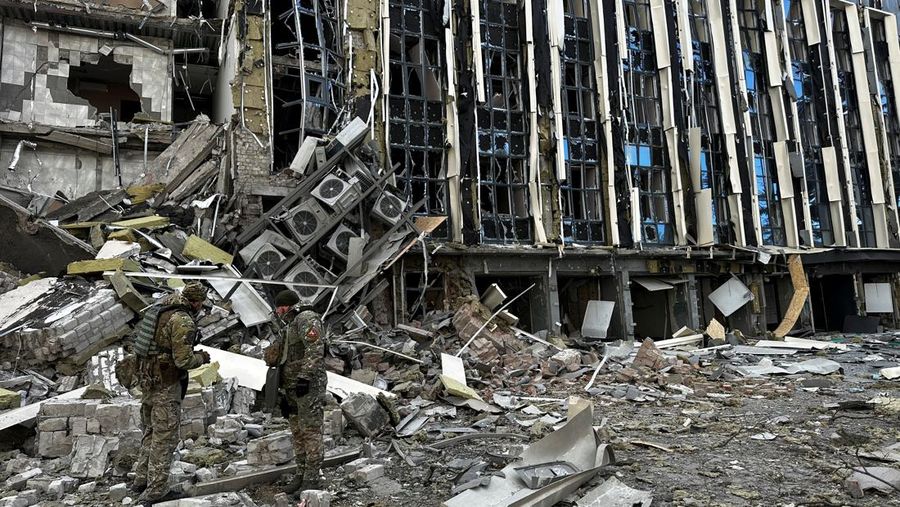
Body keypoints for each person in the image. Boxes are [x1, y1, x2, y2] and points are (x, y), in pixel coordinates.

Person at [132, 283, 211, 505]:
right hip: (166, 386)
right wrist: (202, 358)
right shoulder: (182, 320)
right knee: (165, 438)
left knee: (150, 431)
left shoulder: (162, 307)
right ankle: (156, 491)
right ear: (196, 302)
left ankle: (140, 480)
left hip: (148, 382)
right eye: (201, 303)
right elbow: (183, 360)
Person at [264, 289, 327, 495]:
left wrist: (304, 377)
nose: (277, 312)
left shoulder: (306, 318)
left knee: (310, 431)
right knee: (297, 431)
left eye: (278, 307)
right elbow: (286, 356)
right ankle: (300, 474)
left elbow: (315, 349)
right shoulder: (289, 325)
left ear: (285, 306)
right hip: (292, 387)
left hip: (308, 386)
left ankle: (312, 478)